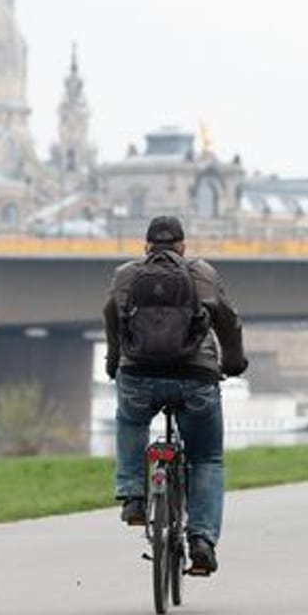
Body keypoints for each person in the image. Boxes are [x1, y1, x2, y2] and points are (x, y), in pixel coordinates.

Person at [103, 215, 247, 576]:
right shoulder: (203, 274)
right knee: (207, 458)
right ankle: (201, 541)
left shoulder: (125, 276)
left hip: (139, 375)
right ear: (183, 247)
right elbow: (228, 323)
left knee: (130, 420)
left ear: (146, 247)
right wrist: (233, 362)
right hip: (195, 377)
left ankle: (134, 495)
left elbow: (113, 321)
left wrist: (114, 362)